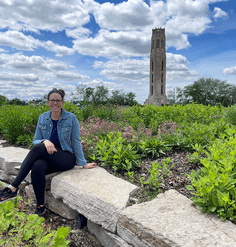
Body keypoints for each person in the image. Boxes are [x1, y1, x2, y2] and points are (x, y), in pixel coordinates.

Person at [0, 88, 96, 216]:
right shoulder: (43, 117)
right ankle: (40, 207)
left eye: (58, 100)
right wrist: (45, 140)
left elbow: (76, 142)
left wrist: (83, 163)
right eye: (52, 100)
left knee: (39, 148)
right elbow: (36, 140)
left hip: (66, 158)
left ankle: (13, 187)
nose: (55, 103)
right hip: (49, 157)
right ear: (47, 101)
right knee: (37, 166)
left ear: (62, 102)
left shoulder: (71, 118)